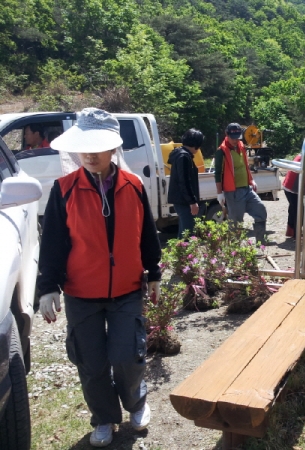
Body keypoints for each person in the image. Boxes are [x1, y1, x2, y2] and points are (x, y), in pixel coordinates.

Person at [37, 108, 162, 448]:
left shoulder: (133, 185)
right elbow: (53, 242)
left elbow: (146, 234)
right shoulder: (64, 189)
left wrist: (154, 272)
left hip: (126, 289)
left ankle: (136, 404)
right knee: (90, 363)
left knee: (127, 356)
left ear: (113, 148)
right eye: (84, 148)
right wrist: (47, 287)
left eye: (98, 147)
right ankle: (104, 418)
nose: (90, 155)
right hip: (81, 292)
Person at [214, 122, 268, 245]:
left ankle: (261, 242)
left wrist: (251, 180)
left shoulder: (241, 146)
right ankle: (234, 248)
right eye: (233, 138)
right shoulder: (221, 151)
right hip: (233, 192)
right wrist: (219, 193)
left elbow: (245, 166)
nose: (235, 140)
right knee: (236, 222)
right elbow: (218, 173)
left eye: (237, 137)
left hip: (247, 189)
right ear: (226, 134)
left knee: (260, 210)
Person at [167, 128, 205, 238]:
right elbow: (184, 181)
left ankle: (180, 249)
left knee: (183, 233)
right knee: (187, 233)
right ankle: (183, 249)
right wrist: (192, 202)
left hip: (181, 200)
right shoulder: (184, 157)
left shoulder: (180, 154)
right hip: (184, 201)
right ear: (196, 144)